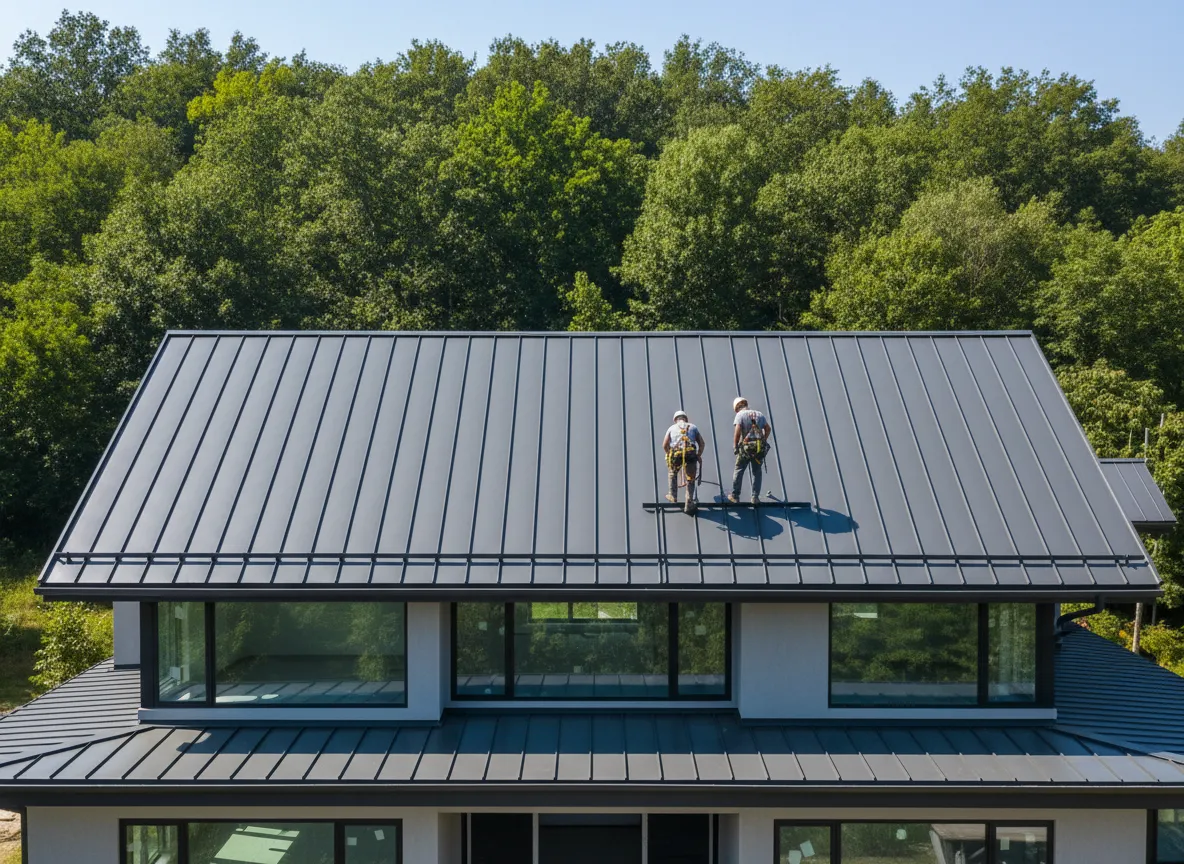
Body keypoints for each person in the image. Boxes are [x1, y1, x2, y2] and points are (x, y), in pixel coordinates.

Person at [728, 396, 771, 504]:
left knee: (739, 469)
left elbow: (737, 432)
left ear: (737, 407)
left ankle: (735, 496)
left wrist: (735, 446)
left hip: (746, 449)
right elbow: (768, 429)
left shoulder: (740, 415)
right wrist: (763, 441)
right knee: (757, 472)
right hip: (758, 449)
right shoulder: (760, 414)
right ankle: (755, 497)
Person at [662, 410, 705, 513]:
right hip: (690, 455)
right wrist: (698, 455)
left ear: (675, 419)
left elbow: (665, 445)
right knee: (690, 478)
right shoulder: (693, 427)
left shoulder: (671, 428)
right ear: (685, 418)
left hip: (676, 455)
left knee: (672, 473)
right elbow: (702, 443)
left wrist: (669, 454)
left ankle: (673, 495)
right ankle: (689, 504)